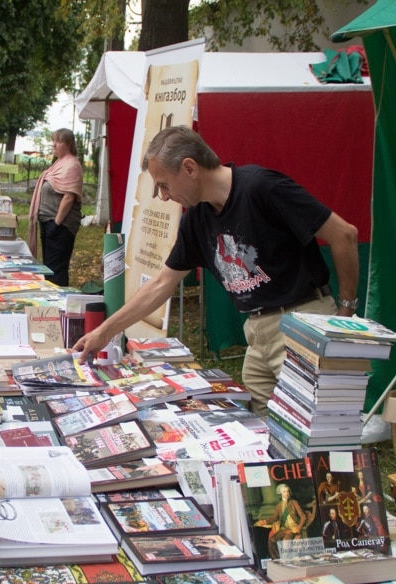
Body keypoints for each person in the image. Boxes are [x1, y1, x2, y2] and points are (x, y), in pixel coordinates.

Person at [74, 126, 359, 414]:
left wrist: (345, 312)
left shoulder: (262, 188)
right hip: (257, 331)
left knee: (314, 430)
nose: (163, 196)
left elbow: (344, 234)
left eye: (164, 184)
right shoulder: (196, 219)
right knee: (265, 430)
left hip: (302, 321)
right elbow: (162, 283)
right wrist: (104, 332)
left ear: (189, 168)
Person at [27, 128, 83, 287]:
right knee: (49, 268)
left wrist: (56, 224)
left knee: (56, 269)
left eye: (58, 141)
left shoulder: (72, 165)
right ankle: (51, 301)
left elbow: (69, 196)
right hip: (48, 223)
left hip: (61, 225)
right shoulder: (58, 164)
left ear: (68, 144)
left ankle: (58, 304)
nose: (54, 144)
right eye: (53, 141)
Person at [254, 482, 306, 559]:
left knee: (286, 541)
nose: (287, 493)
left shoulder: (294, 503)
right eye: (284, 492)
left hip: (293, 529)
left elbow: (303, 517)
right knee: (272, 540)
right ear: (280, 493)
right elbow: (274, 518)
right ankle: (276, 559)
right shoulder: (279, 505)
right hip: (283, 529)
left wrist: (298, 527)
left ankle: (285, 560)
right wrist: (264, 522)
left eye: (288, 491)